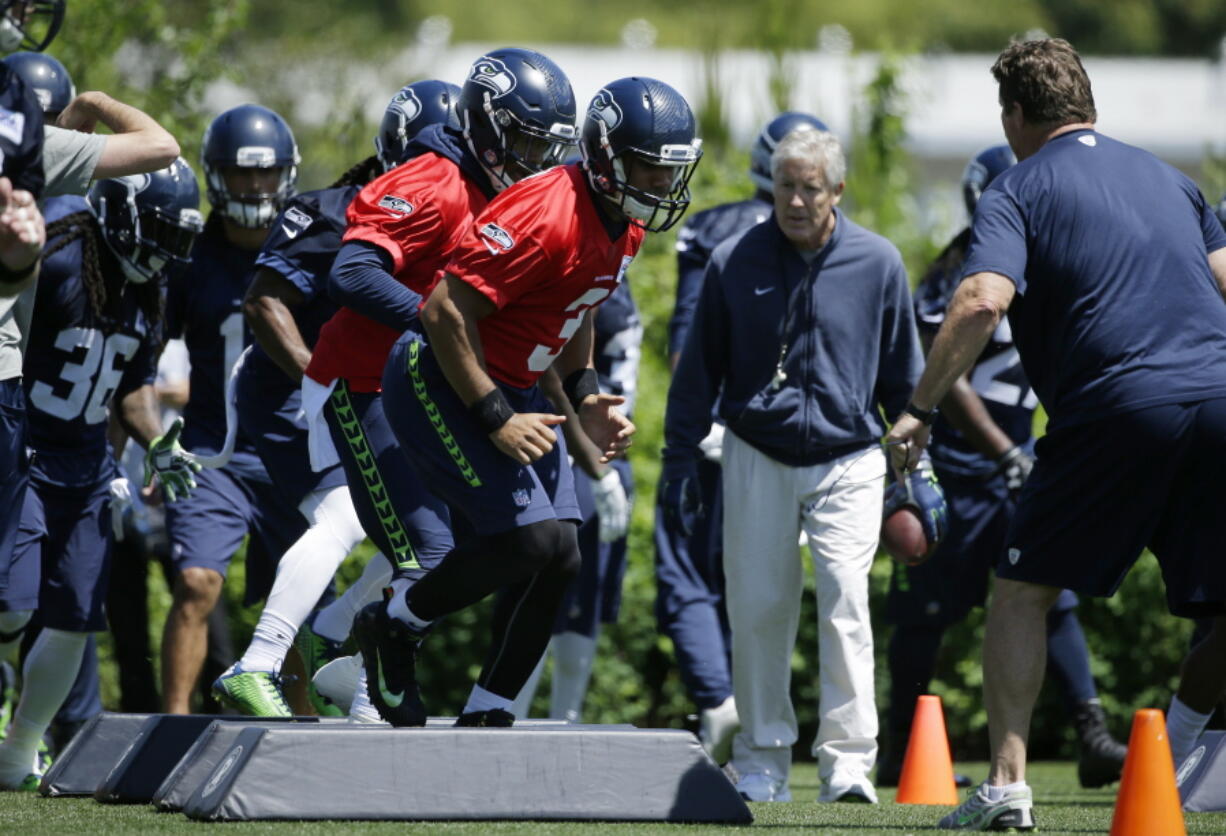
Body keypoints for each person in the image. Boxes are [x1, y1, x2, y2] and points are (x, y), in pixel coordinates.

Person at [885, 38, 1226, 831]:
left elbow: (978, 300)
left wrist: (920, 409)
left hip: (1116, 406)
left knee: (1022, 592)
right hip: (1219, 395)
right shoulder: (1173, 179)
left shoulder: (1017, 186)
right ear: (1088, 100)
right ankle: (1169, 759)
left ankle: (1007, 788)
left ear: (1013, 115)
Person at [365, 76, 701, 729]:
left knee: (563, 553)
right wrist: (496, 418)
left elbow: (580, 303)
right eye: (647, 171)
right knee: (526, 542)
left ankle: (489, 709)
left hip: (514, 384)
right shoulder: (547, 210)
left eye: (669, 173)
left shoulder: (620, 220)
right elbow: (441, 313)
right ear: (606, 157)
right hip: (439, 376)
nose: (660, 187)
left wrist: (586, 393)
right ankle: (395, 623)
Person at [298, 48, 577, 722]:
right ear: (483, 126)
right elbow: (353, 274)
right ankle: (361, 689)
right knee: (431, 551)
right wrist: (442, 327)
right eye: (522, 141)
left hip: (443, 382)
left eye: (547, 146)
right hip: (364, 383)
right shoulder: (434, 181)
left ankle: (336, 640)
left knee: (513, 545)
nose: (534, 158)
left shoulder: (520, 190)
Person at [664, 126, 922, 803]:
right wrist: (676, 463)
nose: (797, 200)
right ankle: (762, 761)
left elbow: (906, 380)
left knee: (845, 601)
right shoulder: (732, 259)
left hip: (851, 457)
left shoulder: (879, 261)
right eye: (786, 186)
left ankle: (846, 763)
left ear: (837, 190)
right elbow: (696, 376)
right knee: (758, 610)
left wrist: (917, 467)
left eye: (811, 188)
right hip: (756, 451)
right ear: (770, 187)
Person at [878, 144, 1126, 790]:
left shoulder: (1049, 266)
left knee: (1052, 592)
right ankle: (898, 742)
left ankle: (1091, 731)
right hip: (961, 467)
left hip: (1018, 463)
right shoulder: (961, 267)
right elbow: (945, 366)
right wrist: (1004, 450)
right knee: (925, 612)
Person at [213, 80, 462, 718]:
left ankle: (338, 640)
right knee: (349, 517)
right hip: (299, 396)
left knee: (439, 531)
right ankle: (261, 660)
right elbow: (264, 301)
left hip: (384, 398)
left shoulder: (454, 212)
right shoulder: (336, 209)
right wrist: (311, 377)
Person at [0, 158, 204, 790]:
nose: (164, 250)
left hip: (89, 468)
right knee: (12, 603)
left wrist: (162, 442)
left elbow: (134, 389)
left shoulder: (146, 293)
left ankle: (18, 754)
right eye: (159, 231)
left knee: (73, 619)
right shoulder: (58, 265)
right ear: (119, 213)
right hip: (28, 458)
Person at [655, 111, 826, 763]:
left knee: (686, 572)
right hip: (798, 439)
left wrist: (703, 419)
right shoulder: (835, 235)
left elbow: (689, 341)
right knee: (757, 582)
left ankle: (723, 704)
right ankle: (757, 718)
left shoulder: (711, 226)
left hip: (721, 430)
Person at [160, 104, 310, 715]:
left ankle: (306, 729)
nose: (252, 187)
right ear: (216, 176)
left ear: (286, 174)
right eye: (240, 174)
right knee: (197, 583)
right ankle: (171, 727)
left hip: (288, 452)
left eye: (265, 173)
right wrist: (147, 440)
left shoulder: (307, 247)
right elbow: (142, 359)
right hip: (209, 451)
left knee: (301, 602)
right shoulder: (189, 257)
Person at [512, 279, 640, 722]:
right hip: (570, 449)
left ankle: (567, 717)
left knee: (589, 594)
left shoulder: (615, 270)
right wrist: (594, 466)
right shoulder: (578, 270)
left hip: (607, 452)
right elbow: (550, 371)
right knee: (545, 582)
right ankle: (507, 709)